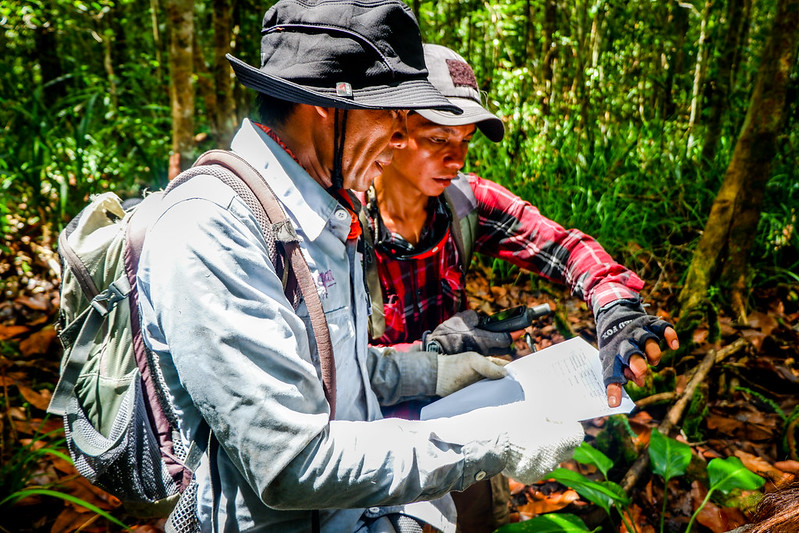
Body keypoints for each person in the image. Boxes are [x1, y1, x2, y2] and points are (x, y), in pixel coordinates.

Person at [136, 2, 585, 532]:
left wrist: (434, 372)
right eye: (393, 116)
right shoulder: (214, 230)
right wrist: (489, 443)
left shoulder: (319, 212)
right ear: (326, 105)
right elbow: (288, 464)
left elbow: (335, 374)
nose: (400, 142)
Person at [358, 44, 681, 532]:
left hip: (466, 425)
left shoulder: (464, 203)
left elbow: (566, 247)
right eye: (439, 137)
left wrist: (617, 309)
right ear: (394, 131)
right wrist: (433, 351)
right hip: (377, 440)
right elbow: (332, 367)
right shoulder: (342, 225)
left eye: (465, 139)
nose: (455, 156)